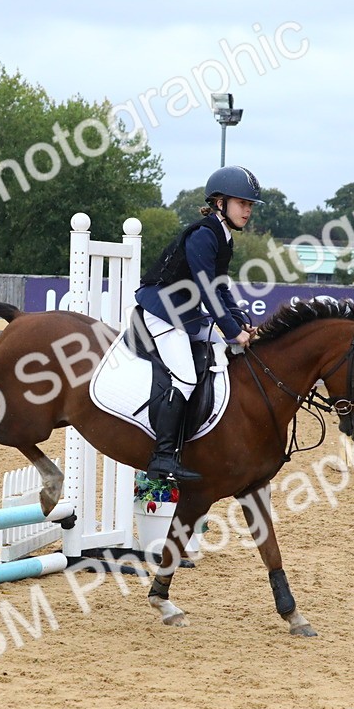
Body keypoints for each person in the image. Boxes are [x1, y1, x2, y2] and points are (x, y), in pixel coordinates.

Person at [134, 165, 262, 481]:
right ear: (220, 202)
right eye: (242, 203)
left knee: (223, 362)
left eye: (250, 205)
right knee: (186, 378)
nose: (247, 210)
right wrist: (231, 331)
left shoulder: (224, 236)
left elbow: (221, 288)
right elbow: (207, 290)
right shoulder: (204, 235)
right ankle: (163, 457)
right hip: (163, 309)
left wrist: (241, 324)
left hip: (186, 313)